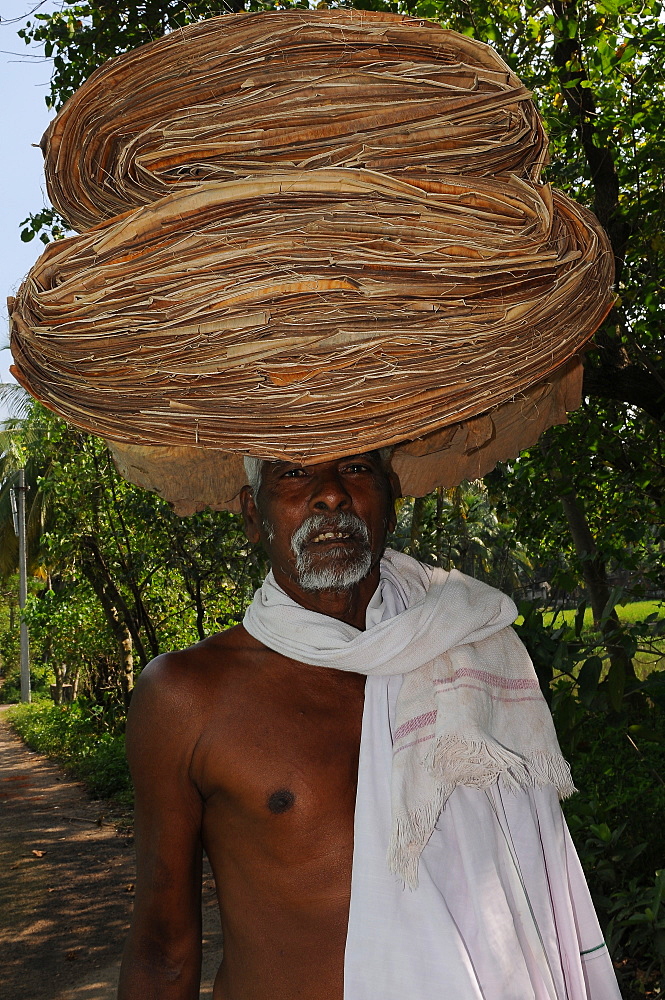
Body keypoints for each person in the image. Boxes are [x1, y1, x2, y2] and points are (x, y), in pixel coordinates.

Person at [118, 450, 621, 1000]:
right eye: (292, 473)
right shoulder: (185, 695)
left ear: (391, 497)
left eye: (355, 468)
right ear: (251, 513)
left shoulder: (467, 649)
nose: (330, 492)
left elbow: (533, 888)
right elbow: (163, 951)